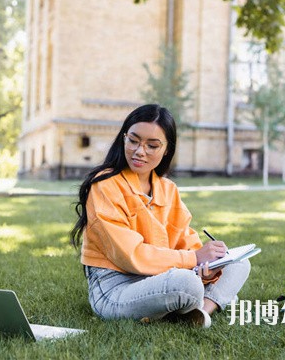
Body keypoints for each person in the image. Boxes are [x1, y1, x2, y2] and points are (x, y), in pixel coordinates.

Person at [70, 104, 251, 328]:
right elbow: (131, 255)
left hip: (161, 276)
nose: (139, 151)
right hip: (115, 286)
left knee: (238, 263)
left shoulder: (167, 188)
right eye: (133, 140)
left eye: (152, 145)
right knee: (186, 284)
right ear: (123, 138)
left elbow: (187, 244)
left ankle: (201, 311)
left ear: (166, 149)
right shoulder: (105, 184)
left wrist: (207, 269)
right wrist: (194, 260)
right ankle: (204, 299)